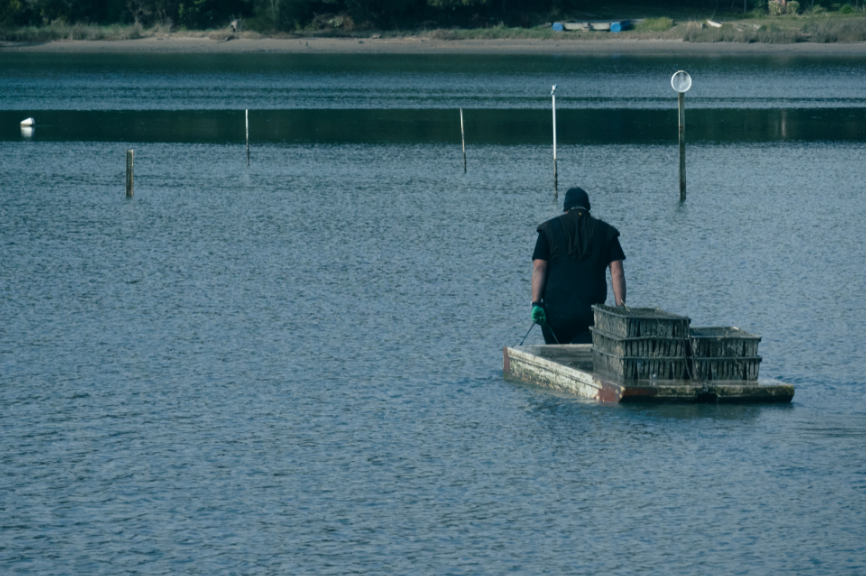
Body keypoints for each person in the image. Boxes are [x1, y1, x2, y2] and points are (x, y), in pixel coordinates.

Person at [531, 187, 626, 344]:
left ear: (566, 209)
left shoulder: (548, 230)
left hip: (555, 316)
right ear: (587, 208)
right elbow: (618, 273)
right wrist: (619, 310)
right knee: (586, 359)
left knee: (556, 358)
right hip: (591, 316)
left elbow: (539, 268)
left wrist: (536, 304)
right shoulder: (607, 232)